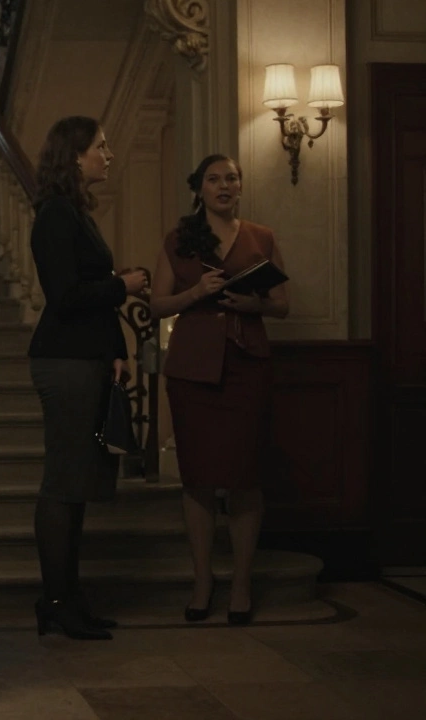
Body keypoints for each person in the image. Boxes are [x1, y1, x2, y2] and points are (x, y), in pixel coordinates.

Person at [148, 154, 288, 626]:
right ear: (200, 189)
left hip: (247, 366)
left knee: (246, 477)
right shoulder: (180, 240)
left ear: (240, 186)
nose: (224, 185)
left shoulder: (261, 237)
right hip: (192, 371)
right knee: (199, 479)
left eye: (231, 178)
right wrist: (195, 294)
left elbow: (282, 305)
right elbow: (156, 305)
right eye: (214, 179)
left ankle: (243, 584)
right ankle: (203, 580)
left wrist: (253, 303)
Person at [27, 116, 148, 641]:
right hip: (64, 361)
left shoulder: (75, 213)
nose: (109, 154)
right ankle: (56, 599)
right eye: (101, 146)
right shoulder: (54, 215)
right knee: (63, 484)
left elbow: (90, 292)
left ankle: (68, 597)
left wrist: (116, 351)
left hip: (87, 357)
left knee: (76, 485)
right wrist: (123, 285)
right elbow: (67, 297)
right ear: (75, 156)